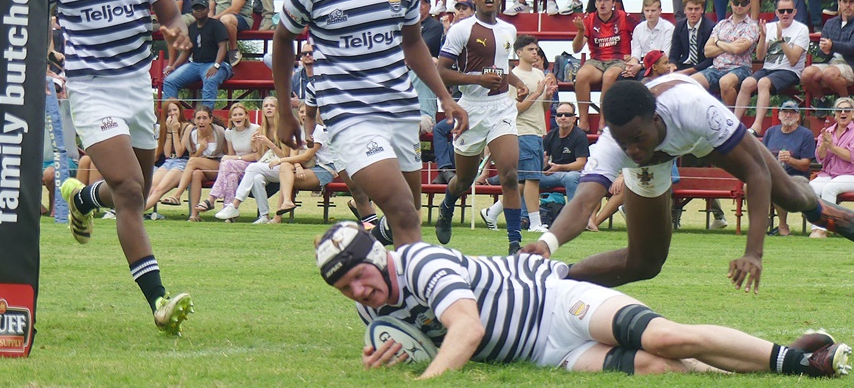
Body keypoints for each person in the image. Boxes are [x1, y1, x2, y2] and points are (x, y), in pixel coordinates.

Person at [316, 221, 853, 380]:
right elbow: (426, 338)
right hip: (544, 353)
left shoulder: (420, 263)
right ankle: (767, 363)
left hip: (554, 301)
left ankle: (803, 361)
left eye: (360, 277)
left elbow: (467, 330)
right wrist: (394, 352)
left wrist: (427, 381)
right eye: (347, 290)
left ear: (378, 255)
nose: (359, 292)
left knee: (665, 336)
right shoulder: (371, 308)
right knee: (659, 369)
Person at [521, 75, 854, 293]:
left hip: (701, 137)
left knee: (790, 194)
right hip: (660, 157)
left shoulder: (696, 108)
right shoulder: (617, 142)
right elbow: (583, 202)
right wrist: (547, 244)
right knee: (645, 263)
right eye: (625, 145)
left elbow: (757, 175)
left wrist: (753, 253)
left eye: (637, 139)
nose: (632, 151)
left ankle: (823, 212)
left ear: (654, 119)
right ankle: (554, 282)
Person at [271, 0, 467, 248]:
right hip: (350, 115)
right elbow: (283, 40)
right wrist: (285, 112)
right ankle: (414, 297)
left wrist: (444, 97)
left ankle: (385, 269)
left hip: (400, 109)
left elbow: (414, 45)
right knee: (404, 211)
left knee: (406, 217)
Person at [50, 0, 194, 336]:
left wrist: (176, 29)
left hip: (136, 85)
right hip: (90, 87)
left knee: (137, 190)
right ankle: (159, 302)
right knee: (131, 190)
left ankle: (85, 198)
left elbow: (168, 11)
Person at [435, 0, 529, 252]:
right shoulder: (461, 29)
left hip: (501, 107)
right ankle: (447, 205)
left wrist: (517, 83)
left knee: (510, 174)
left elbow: (502, 68)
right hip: (471, 109)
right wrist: (477, 78)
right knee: (463, 181)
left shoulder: (509, 29)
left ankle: (515, 244)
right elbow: (441, 71)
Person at [480, 35, 557, 235]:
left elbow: (544, 107)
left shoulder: (540, 73)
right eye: (531, 49)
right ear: (519, 52)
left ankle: (491, 212)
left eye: (536, 49)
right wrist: (536, 93)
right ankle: (534, 222)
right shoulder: (512, 76)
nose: (535, 53)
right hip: (522, 132)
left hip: (537, 131)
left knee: (523, 181)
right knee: (532, 179)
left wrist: (547, 96)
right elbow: (516, 109)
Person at [735, 0, 809, 136]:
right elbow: (760, 57)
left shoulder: (801, 29)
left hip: (790, 71)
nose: (785, 14)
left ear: (795, 12)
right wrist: (762, 38)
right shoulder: (769, 27)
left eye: (789, 11)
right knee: (747, 83)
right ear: (776, 12)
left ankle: (757, 125)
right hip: (768, 68)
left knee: (763, 83)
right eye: (782, 11)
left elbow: (793, 60)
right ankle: (734, 123)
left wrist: (781, 40)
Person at [572, 0, 637, 132]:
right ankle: (583, 121)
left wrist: (634, 57)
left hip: (619, 60)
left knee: (609, 77)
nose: (602, 3)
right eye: (599, 0)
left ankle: (603, 120)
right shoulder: (589, 19)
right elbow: (576, 49)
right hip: (596, 61)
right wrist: (580, 32)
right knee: (581, 75)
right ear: (595, 3)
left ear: (613, 3)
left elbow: (640, 35)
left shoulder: (624, 17)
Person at [691, 0, 758, 109]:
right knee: (692, 82)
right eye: (736, 2)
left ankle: (730, 119)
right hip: (716, 68)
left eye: (743, 3)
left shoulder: (752, 26)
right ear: (731, 4)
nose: (739, 6)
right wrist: (730, 46)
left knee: (725, 83)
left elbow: (738, 49)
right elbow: (707, 51)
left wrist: (717, 42)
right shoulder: (721, 24)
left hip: (740, 68)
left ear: (749, 6)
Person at [162, 0, 233, 108]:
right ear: (192, 11)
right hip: (196, 64)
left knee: (210, 79)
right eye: (196, 9)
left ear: (208, 10)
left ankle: (206, 115)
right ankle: (170, 114)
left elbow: (223, 47)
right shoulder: (191, 28)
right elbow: (187, 51)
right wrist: (174, 66)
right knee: (169, 81)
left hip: (217, 63)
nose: (199, 11)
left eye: (202, 8)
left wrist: (216, 66)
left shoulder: (216, 25)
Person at [762, 100, 816, 237]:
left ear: (798, 116)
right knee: (748, 186)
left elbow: (805, 165)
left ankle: (782, 225)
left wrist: (790, 160)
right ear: (779, 115)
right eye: (785, 112)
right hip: (771, 174)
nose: (788, 115)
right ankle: (760, 222)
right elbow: (762, 157)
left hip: (796, 177)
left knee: (777, 184)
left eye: (792, 113)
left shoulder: (806, 135)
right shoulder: (770, 132)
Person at [166, 106, 227, 220]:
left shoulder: (220, 132)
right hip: (202, 166)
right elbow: (192, 158)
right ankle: (194, 215)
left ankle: (177, 194)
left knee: (194, 162)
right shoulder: (193, 134)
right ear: (194, 120)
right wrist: (200, 150)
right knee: (196, 174)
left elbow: (227, 153)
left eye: (204, 118)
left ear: (210, 119)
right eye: (198, 118)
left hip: (220, 166)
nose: (201, 121)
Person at [810, 97, 854, 239]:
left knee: (830, 188)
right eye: (839, 110)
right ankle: (815, 226)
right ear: (834, 114)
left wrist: (832, 147)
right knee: (811, 187)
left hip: (851, 175)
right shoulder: (828, 131)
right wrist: (824, 144)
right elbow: (820, 158)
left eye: (847, 110)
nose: (843, 113)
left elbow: (851, 157)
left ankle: (824, 229)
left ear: (853, 113)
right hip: (830, 174)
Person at [803, 0, 854, 102]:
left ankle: (846, 103)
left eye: (851, 2)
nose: (848, 5)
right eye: (845, 1)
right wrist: (824, 50)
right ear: (840, 4)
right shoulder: (830, 23)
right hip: (831, 63)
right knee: (807, 74)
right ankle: (822, 100)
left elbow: (852, 48)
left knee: (829, 73)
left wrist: (832, 45)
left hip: (851, 65)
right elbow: (821, 53)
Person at [540, 102, 589, 202]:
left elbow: (581, 164)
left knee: (570, 177)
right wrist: (544, 165)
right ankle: (525, 216)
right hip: (553, 174)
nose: (563, 117)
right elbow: (544, 159)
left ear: (574, 118)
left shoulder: (580, 136)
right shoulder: (550, 135)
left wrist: (560, 168)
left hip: (573, 174)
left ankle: (573, 216)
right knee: (528, 178)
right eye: (559, 115)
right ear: (555, 118)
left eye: (567, 115)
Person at [625, 0, 674, 78]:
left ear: (660, 11)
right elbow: (636, 52)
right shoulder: (638, 28)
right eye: (647, 11)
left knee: (642, 76)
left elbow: (665, 56)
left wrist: (640, 66)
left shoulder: (669, 28)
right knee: (624, 76)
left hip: (659, 65)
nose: (649, 14)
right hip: (643, 63)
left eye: (653, 11)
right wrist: (631, 66)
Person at [667, 0, 714, 75]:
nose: (693, 12)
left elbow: (710, 59)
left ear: (702, 10)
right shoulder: (680, 26)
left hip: (703, 67)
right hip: (684, 65)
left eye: (696, 9)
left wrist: (689, 71)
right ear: (684, 10)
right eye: (690, 9)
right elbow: (674, 52)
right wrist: (672, 64)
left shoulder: (710, 27)